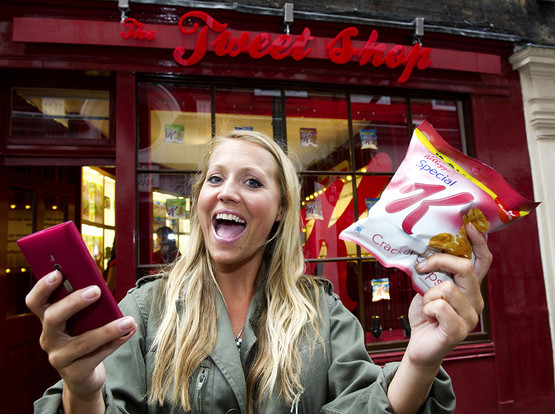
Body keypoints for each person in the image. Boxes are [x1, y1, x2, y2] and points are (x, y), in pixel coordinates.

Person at [26, 130, 492, 414]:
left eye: (252, 181)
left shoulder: (323, 314)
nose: (227, 192)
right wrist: (82, 388)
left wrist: (420, 362)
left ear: (281, 212)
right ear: (200, 200)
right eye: (215, 178)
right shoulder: (144, 310)